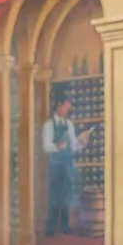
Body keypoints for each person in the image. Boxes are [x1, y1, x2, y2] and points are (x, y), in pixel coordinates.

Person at [41, 97, 91, 236]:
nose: (67, 111)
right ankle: (50, 229)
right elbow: (46, 147)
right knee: (54, 197)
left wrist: (81, 143)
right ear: (58, 105)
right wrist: (57, 146)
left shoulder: (69, 124)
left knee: (67, 196)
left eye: (68, 109)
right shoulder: (48, 125)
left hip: (68, 164)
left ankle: (64, 226)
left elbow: (73, 146)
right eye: (65, 108)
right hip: (55, 165)